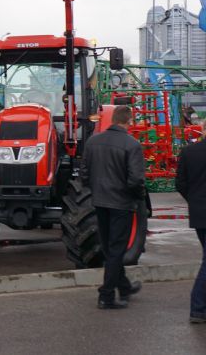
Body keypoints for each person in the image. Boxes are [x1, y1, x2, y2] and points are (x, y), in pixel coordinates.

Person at [81, 105, 144, 309]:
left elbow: (84, 173)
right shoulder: (132, 144)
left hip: (99, 202)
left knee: (109, 248)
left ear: (112, 119)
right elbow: (136, 180)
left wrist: (95, 191)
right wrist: (136, 198)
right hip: (122, 204)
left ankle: (124, 287)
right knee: (116, 249)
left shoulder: (93, 142)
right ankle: (106, 295)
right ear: (129, 121)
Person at [175, 133, 206, 323]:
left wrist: (194, 201)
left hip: (198, 214)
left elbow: (180, 183)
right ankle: (198, 306)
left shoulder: (189, 152)